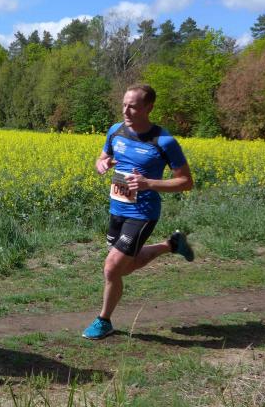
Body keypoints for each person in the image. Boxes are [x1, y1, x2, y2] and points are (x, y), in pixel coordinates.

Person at [82, 84, 195, 340]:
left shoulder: (164, 141)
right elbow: (102, 157)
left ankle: (104, 321)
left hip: (142, 213)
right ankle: (171, 245)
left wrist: (148, 184)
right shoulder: (116, 131)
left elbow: (186, 182)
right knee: (125, 267)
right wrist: (101, 164)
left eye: (132, 107)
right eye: (124, 105)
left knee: (112, 268)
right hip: (117, 208)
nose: (126, 111)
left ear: (148, 108)